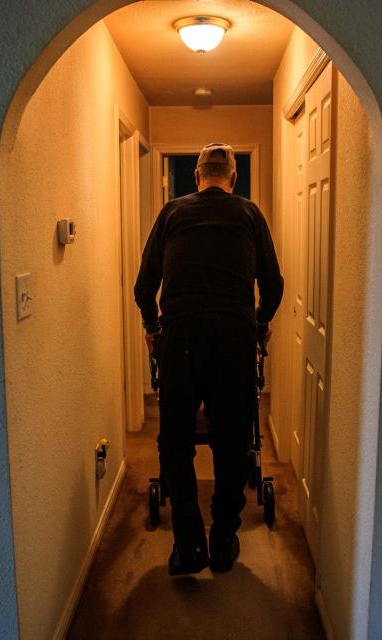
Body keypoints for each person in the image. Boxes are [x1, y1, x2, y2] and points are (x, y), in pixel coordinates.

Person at [134, 142, 284, 576]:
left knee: (176, 441)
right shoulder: (250, 214)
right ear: (232, 180)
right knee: (232, 439)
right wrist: (259, 324)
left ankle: (189, 545)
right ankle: (222, 540)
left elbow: (145, 287)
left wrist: (152, 328)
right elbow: (272, 286)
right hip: (234, 337)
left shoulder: (172, 213)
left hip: (180, 335)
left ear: (196, 178)